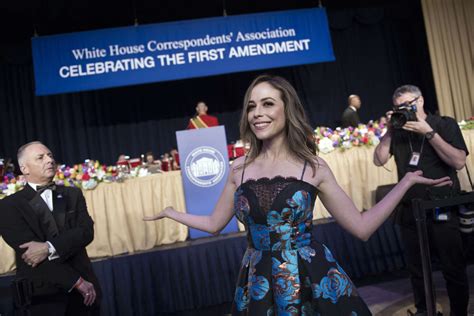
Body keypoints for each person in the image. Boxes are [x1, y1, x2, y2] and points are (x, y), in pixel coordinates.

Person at [144, 75, 451, 315]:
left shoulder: (313, 166)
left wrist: (406, 182)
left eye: (267, 104)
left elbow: (362, 227)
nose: (257, 114)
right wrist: (173, 212)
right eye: (252, 106)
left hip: (309, 278)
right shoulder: (238, 168)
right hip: (257, 281)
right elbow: (213, 223)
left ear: (286, 109)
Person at [373, 85, 469, 316]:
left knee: (452, 266)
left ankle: (459, 312)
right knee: (417, 270)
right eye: (399, 107)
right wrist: (389, 130)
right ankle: (425, 310)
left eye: (408, 105)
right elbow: (379, 160)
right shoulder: (398, 131)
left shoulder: (444, 124)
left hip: (441, 206)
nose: (404, 110)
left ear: (421, 100)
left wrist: (429, 133)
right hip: (410, 209)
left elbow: (458, 161)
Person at [0, 141, 101, 315]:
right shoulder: (8, 206)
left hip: (86, 294)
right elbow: (31, 255)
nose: (49, 160)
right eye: (41, 157)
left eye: (50, 155)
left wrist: (48, 247)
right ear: (25, 169)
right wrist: (76, 282)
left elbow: (86, 232)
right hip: (43, 296)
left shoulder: (72, 194)